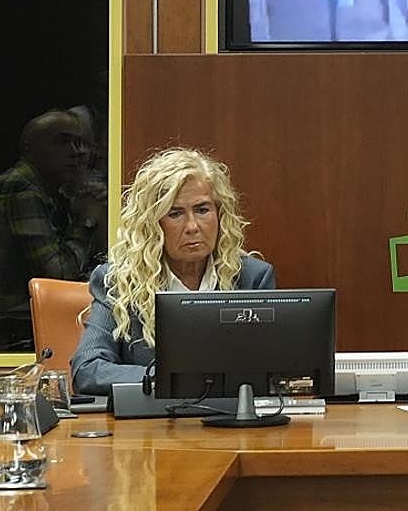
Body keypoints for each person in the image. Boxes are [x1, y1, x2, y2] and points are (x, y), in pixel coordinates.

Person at [70, 148, 275, 395]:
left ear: (220, 214)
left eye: (202, 210)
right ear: (152, 224)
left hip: (230, 423)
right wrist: (175, 377)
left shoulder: (252, 278)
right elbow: (88, 370)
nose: (192, 226)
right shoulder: (118, 280)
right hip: (151, 427)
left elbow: (268, 370)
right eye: (175, 213)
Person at [0, 110, 101, 350]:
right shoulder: (22, 187)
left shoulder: (51, 192)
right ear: (29, 149)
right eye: (62, 141)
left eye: (79, 143)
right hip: (13, 333)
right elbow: (59, 276)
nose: (75, 152)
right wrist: (85, 221)